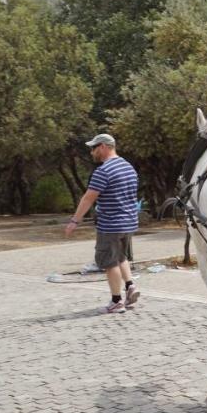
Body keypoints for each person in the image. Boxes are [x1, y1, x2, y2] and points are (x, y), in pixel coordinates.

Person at [65, 133, 141, 313]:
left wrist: (75, 221)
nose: (92, 152)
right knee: (121, 256)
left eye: (94, 148)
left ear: (104, 147)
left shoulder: (103, 171)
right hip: (129, 223)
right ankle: (130, 286)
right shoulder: (128, 167)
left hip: (111, 224)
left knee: (109, 262)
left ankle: (116, 301)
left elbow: (88, 199)